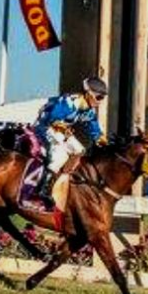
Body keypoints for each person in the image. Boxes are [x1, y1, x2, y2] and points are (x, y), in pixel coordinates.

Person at [32, 76, 108, 204]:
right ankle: (42, 189)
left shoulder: (88, 111)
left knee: (79, 150)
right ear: (88, 94)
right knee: (60, 155)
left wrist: (100, 138)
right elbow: (53, 119)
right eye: (99, 97)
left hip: (62, 130)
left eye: (103, 98)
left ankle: (61, 179)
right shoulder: (69, 102)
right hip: (45, 126)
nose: (100, 102)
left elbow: (93, 127)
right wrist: (62, 127)